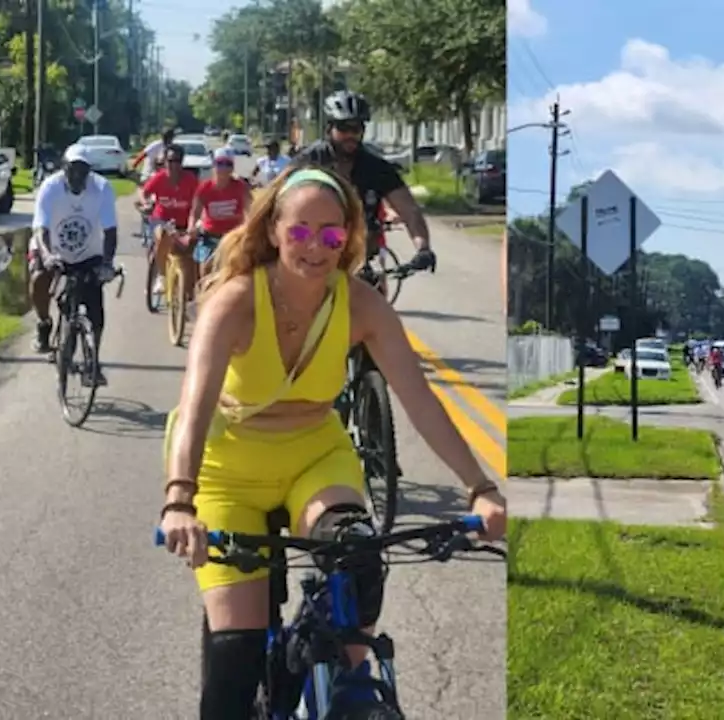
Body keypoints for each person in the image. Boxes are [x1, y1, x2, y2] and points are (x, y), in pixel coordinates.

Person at [155, 164, 507, 717]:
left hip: (314, 458)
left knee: (358, 557)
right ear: (273, 230)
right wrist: (180, 499)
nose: (315, 247)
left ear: (348, 237)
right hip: (228, 469)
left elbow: (420, 400)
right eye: (299, 231)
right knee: (235, 661)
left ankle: (348, 683)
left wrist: (481, 487)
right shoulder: (236, 300)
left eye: (331, 233)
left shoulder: (362, 304)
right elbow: (195, 404)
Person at [292, 91, 436, 282]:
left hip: (360, 265)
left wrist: (423, 248)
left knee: (378, 308)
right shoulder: (307, 162)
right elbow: (275, 205)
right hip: (313, 261)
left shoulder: (376, 168)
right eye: (344, 128)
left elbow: (409, 210)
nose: (351, 135)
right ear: (329, 129)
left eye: (357, 128)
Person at [28, 144, 119, 386]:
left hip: (89, 251)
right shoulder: (50, 187)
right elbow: (41, 228)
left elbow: (110, 230)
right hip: (52, 247)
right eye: (72, 170)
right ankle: (45, 324)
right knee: (39, 277)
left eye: (83, 171)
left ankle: (93, 361)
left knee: (95, 307)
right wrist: (47, 256)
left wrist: (108, 264)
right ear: (63, 168)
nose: (78, 176)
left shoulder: (101, 188)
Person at [136, 143, 199, 298]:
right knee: (163, 234)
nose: (173, 165)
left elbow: (201, 199)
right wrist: (145, 203)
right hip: (161, 219)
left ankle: (189, 291)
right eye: (170, 161)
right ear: (165, 162)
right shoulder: (159, 178)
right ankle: (162, 276)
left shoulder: (191, 180)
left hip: (184, 223)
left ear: (182, 162)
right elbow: (143, 192)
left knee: (191, 252)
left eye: (177, 161)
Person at [187, 148, 253, 287]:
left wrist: (249, 227)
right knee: (204, 270)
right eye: (220, 163)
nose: (223, 168)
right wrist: (191, 227)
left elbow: (250, 210)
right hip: (210, 237)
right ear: (214, 165)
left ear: (232, 168)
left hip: (233, 238)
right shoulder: (204, 188)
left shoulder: (240, 186)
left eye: (227, 164)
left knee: (243, 271)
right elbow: (195, 213)